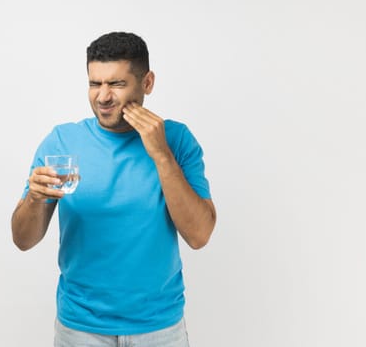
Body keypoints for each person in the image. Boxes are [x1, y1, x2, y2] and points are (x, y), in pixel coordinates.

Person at [11, 31, 216, 347]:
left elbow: (199, 235)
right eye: (95, 83)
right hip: (80, 328)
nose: (103, 96)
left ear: (146, 83)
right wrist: (35, 199)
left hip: (160, 328)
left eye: (117, 84)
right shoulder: (62, 142)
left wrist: (161, 154)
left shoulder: (177, 140)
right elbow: (23, 240)